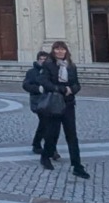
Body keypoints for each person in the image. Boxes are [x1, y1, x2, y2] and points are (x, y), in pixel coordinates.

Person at [36, 41, 89, 179]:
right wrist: (60, 89)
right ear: (53, 51)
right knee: (53, 133)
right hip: (54, 104)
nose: (60, 52)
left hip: (68, 104)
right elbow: (44, 81)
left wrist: (72, 89)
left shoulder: (71, 66)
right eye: (57, 49)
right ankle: (45, 156)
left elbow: (77, 83)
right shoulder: (48, 65)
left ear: (66, 51)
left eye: (62, 49)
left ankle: (77, 165)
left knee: (72, 135)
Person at [22, 51, 56, 158]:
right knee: (46, 123)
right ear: (38, 60)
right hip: (38, 102)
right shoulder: (31, 72)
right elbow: (26, 85)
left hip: (50, 101)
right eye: (41, 59)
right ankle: (52, 150)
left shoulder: (51, 71)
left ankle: (36, 144)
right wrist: (38, 89)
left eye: (46, 59)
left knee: (44, 123)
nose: (43, 61)